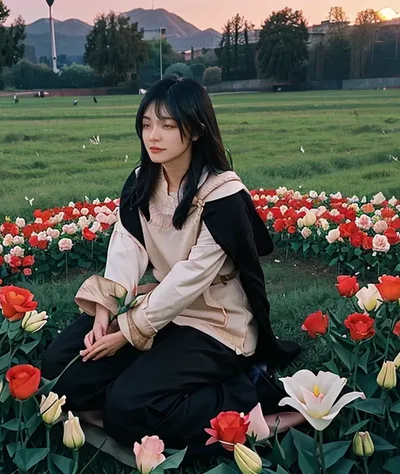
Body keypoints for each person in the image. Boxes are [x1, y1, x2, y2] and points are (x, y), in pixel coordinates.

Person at [42, 77, 301, 452]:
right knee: (61, 366)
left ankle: (251, 393)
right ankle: (140, 389)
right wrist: (106, 312)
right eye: (147, 124)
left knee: (127, 410)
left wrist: (127, 332)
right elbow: (127, 246)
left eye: (167, 124)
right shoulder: (142, 180)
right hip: (161, 308)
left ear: (195, 130)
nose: (153, 136)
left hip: (214, 321)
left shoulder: (222, 195)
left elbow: (190, 279)